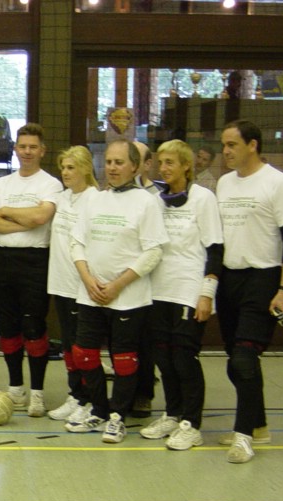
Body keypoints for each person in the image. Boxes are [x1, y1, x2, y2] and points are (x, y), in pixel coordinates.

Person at [65, 140, 169, 444]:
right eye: (108, 161)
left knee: (123, 359)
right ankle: (98, 408)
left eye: (119, 162)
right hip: (90, 294)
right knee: (83, 355)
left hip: (128, 298)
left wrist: (117, 285)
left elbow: (153, 253)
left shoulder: (147, 202)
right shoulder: (94, 200)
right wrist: (88, 279)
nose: (112, 167)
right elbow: (76, 243)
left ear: (135, 166)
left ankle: (117, 418)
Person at [215, 119, 283, 463]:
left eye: (232, 145)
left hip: (264, 278)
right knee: (234, 363)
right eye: (224, 145)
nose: (226, 151)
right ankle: (259, 425)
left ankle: (244, 436)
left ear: (252, 145)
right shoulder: (222, 183)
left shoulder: (277, 183)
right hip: (230, 279)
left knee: (245, 359)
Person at [140, 139, 223, 450]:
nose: (164, 168)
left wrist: (206, 294)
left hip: (189, 290)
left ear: (186, 166)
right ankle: (172, 414)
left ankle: (192, 423)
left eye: (170, 162)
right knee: (163, 356)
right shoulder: (156, 200)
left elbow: (215, 249)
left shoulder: (204, 199)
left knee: (183, 357)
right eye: (161, 162)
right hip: (158, 290)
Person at [0, 123, 63, 417]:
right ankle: (16, 388)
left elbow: (42, 216)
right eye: (22, 146)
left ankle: (38, 393)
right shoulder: (2, 184)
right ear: (15, 149)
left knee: (34, 327)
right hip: (4, 260)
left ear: (42, 150)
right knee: (7, 326)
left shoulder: (50, 183)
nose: (26, 152)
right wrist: (23, 220)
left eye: (32, 147)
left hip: (36, 262)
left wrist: (6, 212)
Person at [45, 146, 100, 422]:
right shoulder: (62, 198)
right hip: (60, 282)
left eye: (71, 168)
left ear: (86, 169)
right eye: (63, 168)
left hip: (81, 285)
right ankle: (75, 393)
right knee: (67, 344)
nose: (65, 173)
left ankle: (90, 399)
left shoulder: (95, 199)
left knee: (83, 346)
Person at [130, 140, 159, 419]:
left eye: (136, 158)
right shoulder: (112, 194)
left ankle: (144, 394)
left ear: (147, 164)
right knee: (123, 341)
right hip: (120, 279)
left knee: (146, 340)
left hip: (150, 278)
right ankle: (125, 393)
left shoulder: (158, 197)